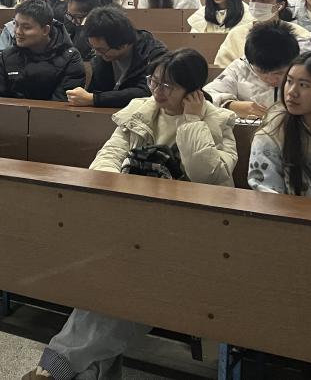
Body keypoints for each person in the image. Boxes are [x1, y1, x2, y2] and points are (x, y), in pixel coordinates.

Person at [26, 49, 237, 380]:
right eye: (154, 81)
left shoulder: (219, 122)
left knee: (123, 281)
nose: (158, 91)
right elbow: (109, 155)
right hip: (131, 224)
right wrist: (120, 191)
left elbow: (207, 177)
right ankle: (77, 370)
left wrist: (192, 122)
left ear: (193, 90)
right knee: (112, 277)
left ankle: (56, 367)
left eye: (168, 86)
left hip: (186, 236)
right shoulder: (140, 112)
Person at [248, 52, 311, 200]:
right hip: (291, 215)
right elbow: (266, 194)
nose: (291, 92)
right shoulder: (272, 134)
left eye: (303, 85)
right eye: (289, 81)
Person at [66, 6, 167, 108]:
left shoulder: (154, 55)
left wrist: (94, 99)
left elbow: (147, 92)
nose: (97, 54)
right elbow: (96, 90)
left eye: (101, 50)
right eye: (94, 48)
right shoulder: (103, 57)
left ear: (124, 44)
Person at [214, 0, 311, 67]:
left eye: (264, 0)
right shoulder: (237, 34)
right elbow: (222, 67)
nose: (257, 4)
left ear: (280, 5)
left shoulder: (298, 34)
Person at [0, 0, 84, 101]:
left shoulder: (70, 57)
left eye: (26, 27)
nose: (18, 31)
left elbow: (62, 102)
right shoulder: (8, 55)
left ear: (45, 30)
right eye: (15, 24)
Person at [205, 22, 301, 120]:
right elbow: (207, 96)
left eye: (279, 73)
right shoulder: (240, 68)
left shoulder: (303, 69)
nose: (271, 80)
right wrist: (230, 105)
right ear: (250, 62)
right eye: (262, 72)